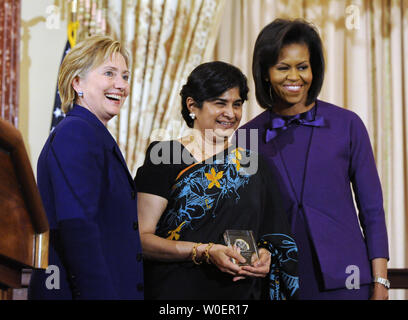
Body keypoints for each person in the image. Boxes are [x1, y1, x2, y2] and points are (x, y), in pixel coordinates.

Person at [238, 19, 389, 300]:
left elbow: (372, 211)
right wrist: (249, 264)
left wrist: (380, 281)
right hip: (278, 281)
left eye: (302, 67)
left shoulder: (347, 124)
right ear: (266, 73)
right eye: (283, 67)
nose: (294, 77)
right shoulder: (246, 137)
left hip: (348, 278)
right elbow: (241, 214)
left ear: (314, 69)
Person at [135, 61, 298, 300]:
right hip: (178, 294)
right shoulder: (164, 157)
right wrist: (205, 252)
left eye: (237, 104)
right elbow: (141, 239)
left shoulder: (255, 165)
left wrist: (265, 256)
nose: (230, 114)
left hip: (241, 295)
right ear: (193, 105)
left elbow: (274, 238)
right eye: (219, 103)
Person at [28, 35, 144, 299]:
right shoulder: (76, 134)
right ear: (77, 82)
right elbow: (77, 225)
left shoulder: (92, 134)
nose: (121, 85)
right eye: (109, 73)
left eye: (125, 76)